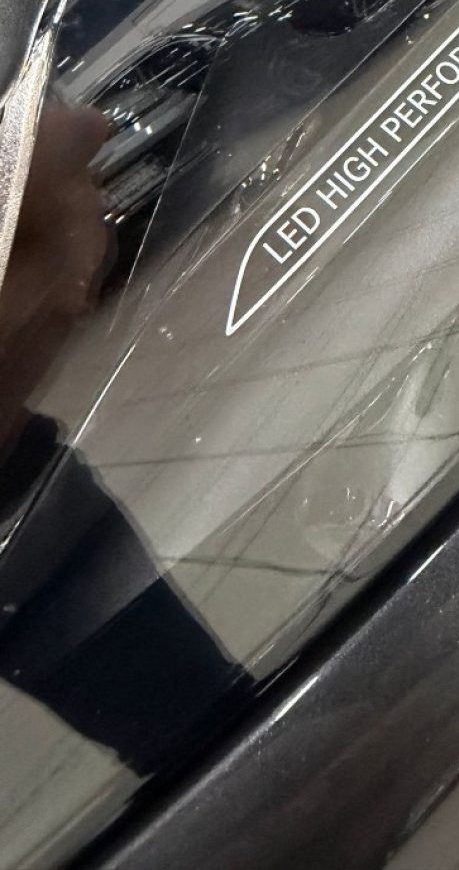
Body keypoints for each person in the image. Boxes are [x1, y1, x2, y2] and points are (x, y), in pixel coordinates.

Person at [0, 100, 252, 776]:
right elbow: (60, 138)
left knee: (201, 735)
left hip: (27, 496)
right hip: (26, 522)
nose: (99, 127)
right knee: (207, 735)